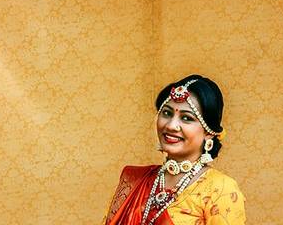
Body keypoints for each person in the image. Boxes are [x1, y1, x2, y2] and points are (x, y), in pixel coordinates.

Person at [103, 75, 246, 225]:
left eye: (186, 118)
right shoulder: (134, 181)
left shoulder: (220, 189)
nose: (171, 125)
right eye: (167, 113)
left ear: (209, 132)